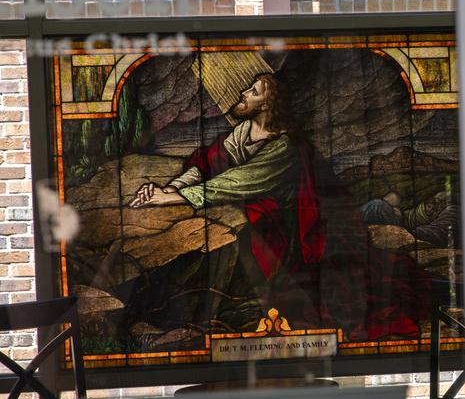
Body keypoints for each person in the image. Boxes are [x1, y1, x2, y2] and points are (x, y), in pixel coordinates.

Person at [130, 72, 428, 340]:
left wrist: (172, 198)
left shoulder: (285, 146)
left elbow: (237, 181)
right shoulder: (241, 134)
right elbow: (206, 163)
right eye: (249, 88)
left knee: (322, 297)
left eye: (254, 91)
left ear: (268, 105)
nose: (244, 93)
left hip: (300, 232)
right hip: (272, 223)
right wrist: (171, 187)